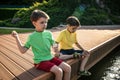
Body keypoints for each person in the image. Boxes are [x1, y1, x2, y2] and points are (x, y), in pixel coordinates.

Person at [11, 9, 71, 80]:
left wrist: (56, 50)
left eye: (46, 22)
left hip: (50, 57)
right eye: (42, 22)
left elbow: (54, 44)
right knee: (59, 71)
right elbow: (23, 51)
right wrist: (16, 38)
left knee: (68, 68)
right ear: (34, 23)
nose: (45, 24)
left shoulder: (48, 33)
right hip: (40, 62)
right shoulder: (32, 37)